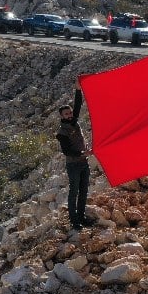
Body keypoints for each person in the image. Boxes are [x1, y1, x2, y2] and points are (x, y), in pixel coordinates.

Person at [56, 87, 94, 229]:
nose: (70, 115)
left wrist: (78, 88)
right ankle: (74, 221)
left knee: (84, 191)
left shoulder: (74, 120)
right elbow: (67, 151)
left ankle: (82, 216)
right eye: (66, 114)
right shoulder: (62, 132)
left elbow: (78, 104)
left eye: (70, 112)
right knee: (74, 193)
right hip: (73, 166)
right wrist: (83, 153)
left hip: (84, 163)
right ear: (62, 116)